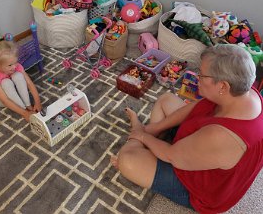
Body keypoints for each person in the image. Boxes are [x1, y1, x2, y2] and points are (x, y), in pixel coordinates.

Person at [111, 44, 263, 213]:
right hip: (199, 143)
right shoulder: (246, 93)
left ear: (223, 86)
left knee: (127, 161)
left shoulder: (223, 136)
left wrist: (142, 135)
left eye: (202, 75)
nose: (197, 77)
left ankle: (137, 143)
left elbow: (172, 155)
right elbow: (196, 107)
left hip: (199, 188)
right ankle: (147, 143)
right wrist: (154, 128)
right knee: (165, 100)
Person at [0, 41, 42, 122]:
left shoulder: (15, 66)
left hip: (11, 90)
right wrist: (25, 113)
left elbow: (29, 83)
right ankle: (24, 109)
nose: (14, 66)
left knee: (18, 75)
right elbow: (4, 100)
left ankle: (28, 105)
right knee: (6, 82)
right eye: (10, 65)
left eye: (15, 62)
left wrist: (38, 102)